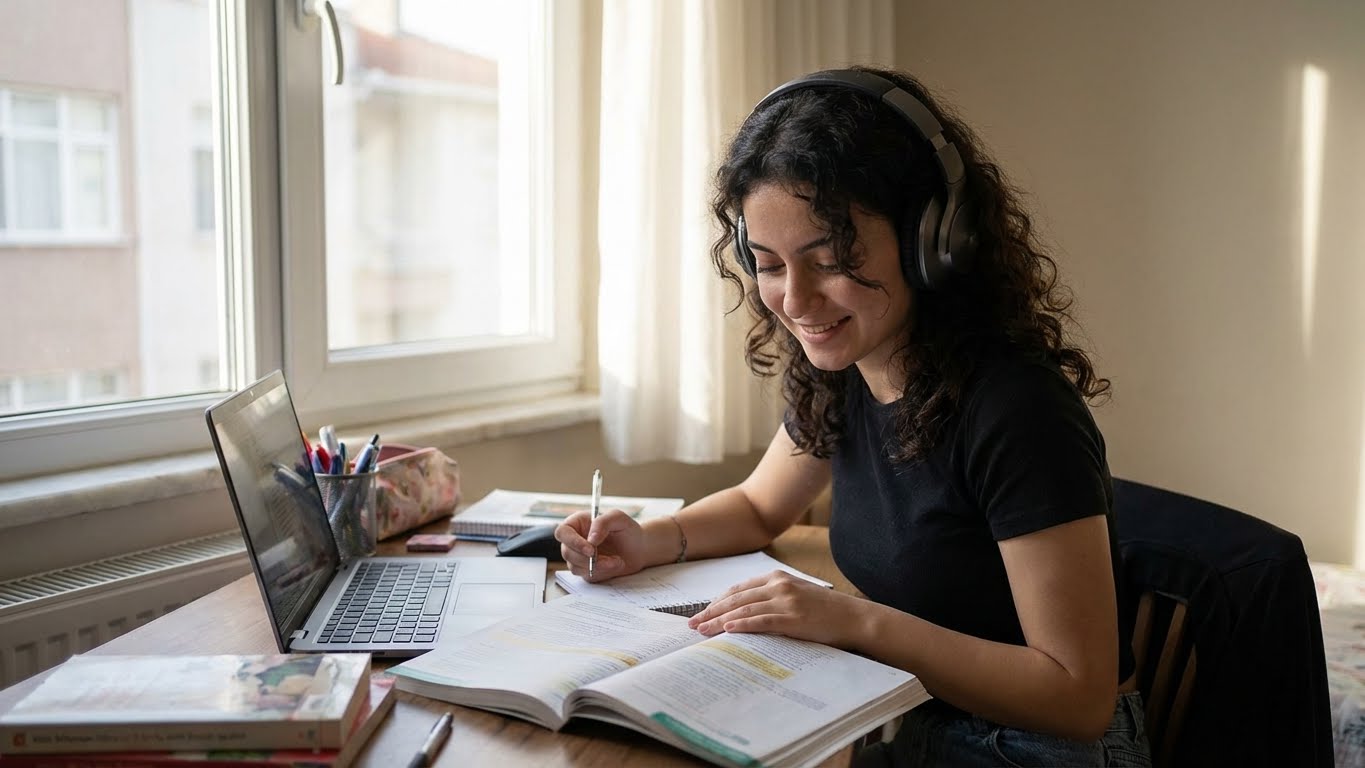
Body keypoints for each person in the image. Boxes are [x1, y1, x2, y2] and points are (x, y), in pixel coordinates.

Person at [555, 65, 1151, 767]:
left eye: (830, 258)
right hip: (908, 713)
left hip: (1031, 747)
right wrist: (647, 541)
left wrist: (854, 621)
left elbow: (1075, 698)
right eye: (768, 264)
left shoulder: (1017, 411)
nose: (795, 300)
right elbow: (756, 507)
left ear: (932, 239)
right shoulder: (844, 368)